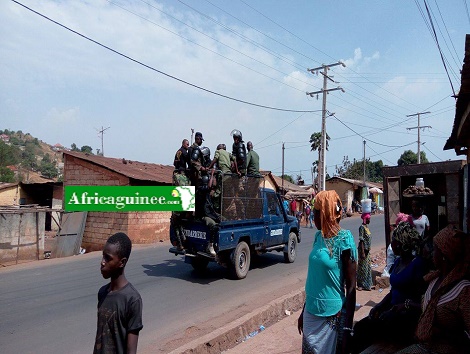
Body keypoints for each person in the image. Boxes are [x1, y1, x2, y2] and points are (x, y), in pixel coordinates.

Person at [352, 221, 426, 353]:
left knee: (365, 331)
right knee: (360, 328)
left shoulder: (417, 264)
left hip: (405, 318)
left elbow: (420, 298)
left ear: (401, 243)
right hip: (391, 311)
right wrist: (379, 305)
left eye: (394, 240)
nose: (392, 243)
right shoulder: (398, 262)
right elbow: (393, 292)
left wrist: (399, 308)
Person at [297, 190, 357, 354]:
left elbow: (351, 287)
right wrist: (304, 310)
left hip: (332, 316)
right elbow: (315, 279)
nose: (313, 216)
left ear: (325, 214)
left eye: (316, 212)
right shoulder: (318, 237)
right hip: (311, 312)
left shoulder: (344, 240)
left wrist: (347, 328)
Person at [396, 225, 470, 354]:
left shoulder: (463, 290)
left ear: (444, 255)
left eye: (435, 250)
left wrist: (443, 333)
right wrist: (407, 305)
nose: (431, 254)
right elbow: (429, 307)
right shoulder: (434, 279)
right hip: (425, 347)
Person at [94, 232, 143, 354]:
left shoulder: (132, 299)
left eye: (108, 258)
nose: (102, 262)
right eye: (103, 256)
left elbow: (131, 350)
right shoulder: (102, 293)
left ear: (122, 262)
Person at [357, 213, 373, 291]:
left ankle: (367, 284)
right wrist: (362, 252)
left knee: (367, 268)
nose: (369, 220)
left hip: (367, 251)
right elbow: (361, 240)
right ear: (365, 219)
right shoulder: (362, 228)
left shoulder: (367, 227)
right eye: (368, 219)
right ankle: (360, 284)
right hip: (363, 251)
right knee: (362, 268)